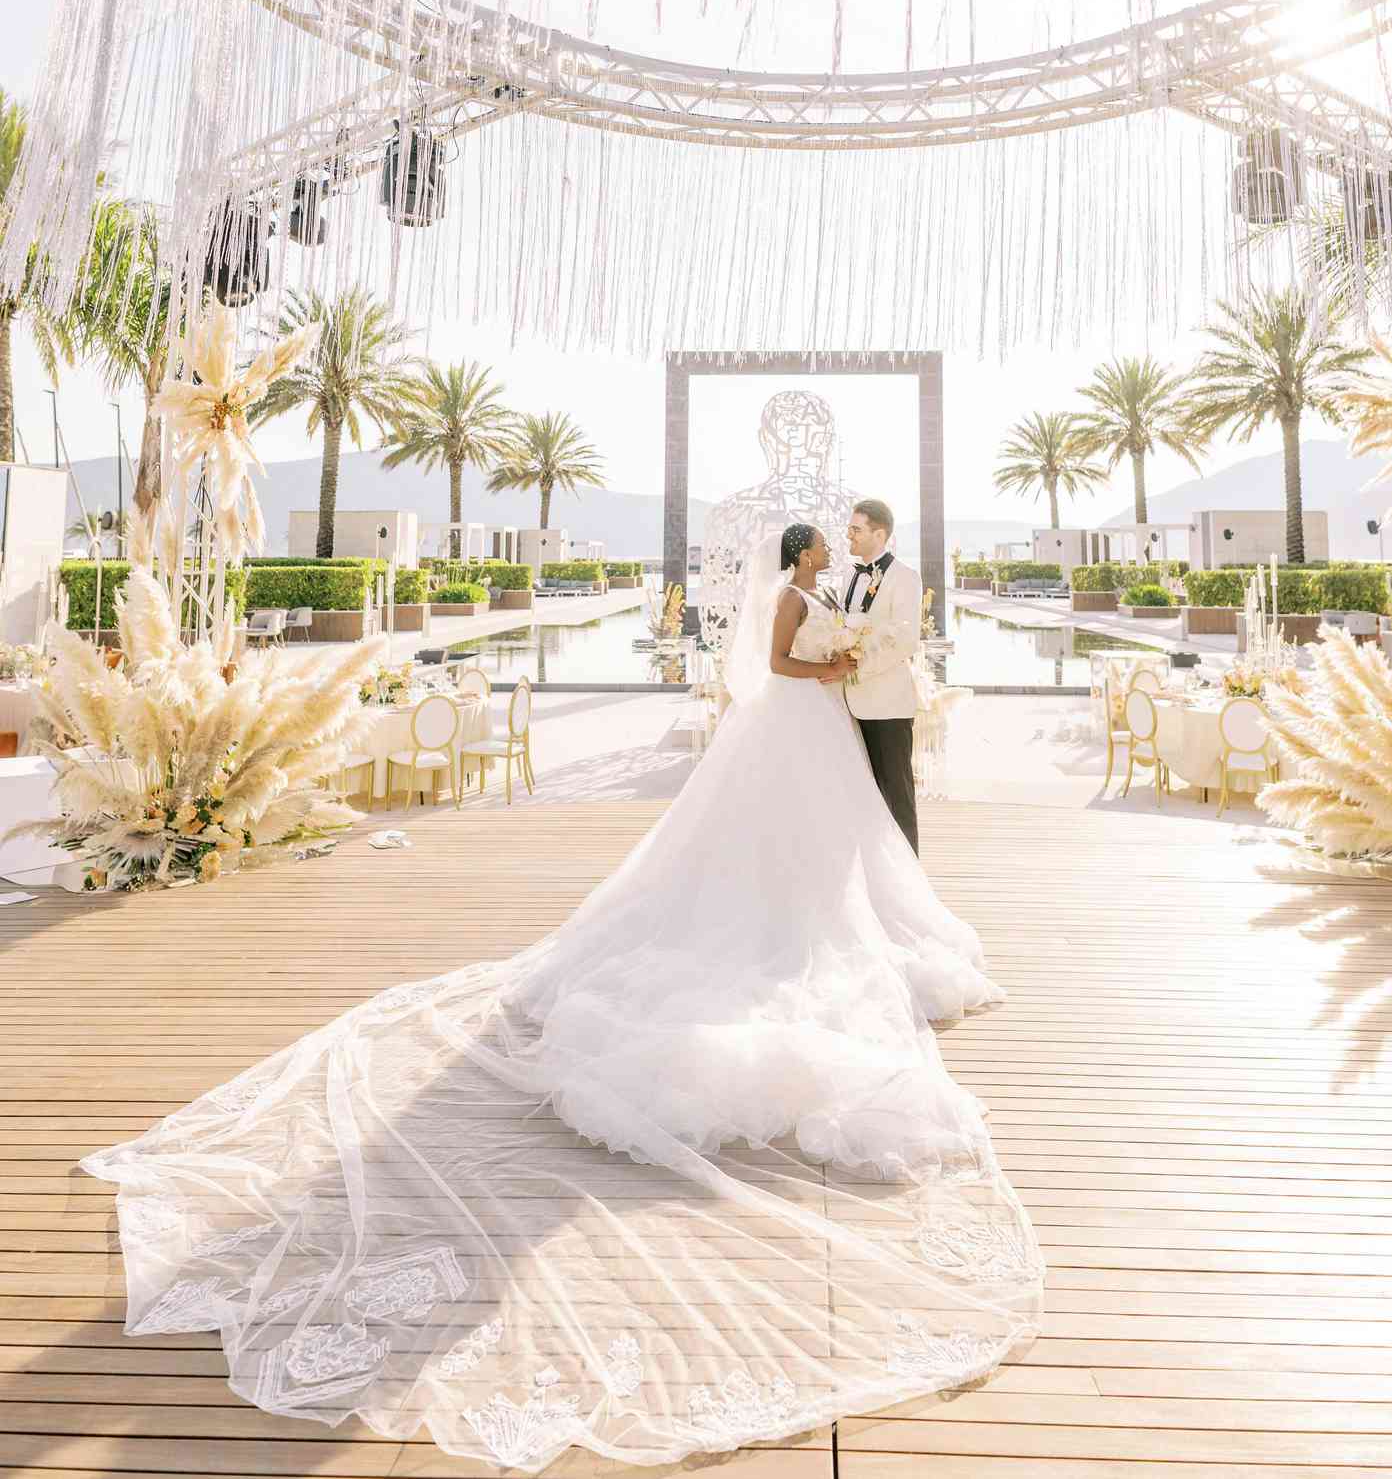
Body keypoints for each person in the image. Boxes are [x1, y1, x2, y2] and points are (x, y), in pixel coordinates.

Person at [80, 523, 1042, 1474]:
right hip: (799, 720)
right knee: (771, 849)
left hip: (806, 734)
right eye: (822, 548)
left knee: (803, 843)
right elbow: (786, 665)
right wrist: (826, 670)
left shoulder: (811, 590)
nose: (831, 554)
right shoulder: (794, 598)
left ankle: (795, 908)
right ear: (800, 557)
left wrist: (837, 664)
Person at [840, 499, 922, 852]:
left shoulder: (905, 577)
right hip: (848, 706)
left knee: (897, 797)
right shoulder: (849, 575)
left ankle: (910, 880)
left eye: (856, 530)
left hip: (888, 705)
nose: (849, 536)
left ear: (880, 533)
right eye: (849, 529)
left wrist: (857, 666)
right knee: (863, 799)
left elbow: (905, 641)